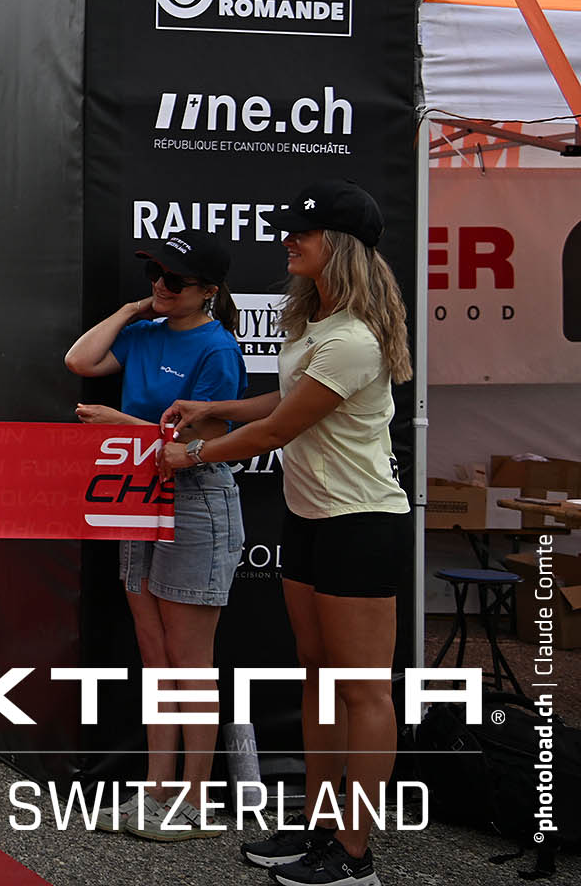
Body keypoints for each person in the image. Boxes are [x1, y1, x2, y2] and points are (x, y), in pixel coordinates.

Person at [159, 180, 410, 886]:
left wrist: (195, 452)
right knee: (318, 675)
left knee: (363, 691)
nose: (288, 239)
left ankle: (354, 855)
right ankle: (322, 825)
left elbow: (279, 430)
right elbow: (285, 401)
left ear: (342, 245)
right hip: (308, 518)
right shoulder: (315, 320)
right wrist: (214, 406)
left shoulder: (354, 337)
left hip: (361, 523)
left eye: (303, 231)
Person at [64, 228, 246, 840]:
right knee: (155, 655)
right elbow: (80, 361)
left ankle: (194, 800)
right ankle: (157, 790)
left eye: (173, 279)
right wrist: (130, 309)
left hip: (194, 499)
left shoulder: (217, 349)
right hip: (138, 499)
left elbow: (206, 443)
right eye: (154, 275)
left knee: (190, 661)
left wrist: (120, 423)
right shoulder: (144, 332)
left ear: (208, 290)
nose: (160, 286)